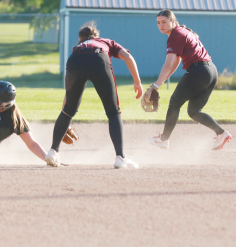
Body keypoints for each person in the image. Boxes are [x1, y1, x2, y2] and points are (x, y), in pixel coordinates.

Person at [45, 22, 143, 169]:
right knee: (113, 112)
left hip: (75, 60)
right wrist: (137, 82)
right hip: (98, 58)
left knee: (68, 111)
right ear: (96, 36)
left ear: (81, 38)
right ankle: (120, 157)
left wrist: (67, 117)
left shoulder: (77, 48)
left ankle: (53, 152)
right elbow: (128, 57)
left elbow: (68, 94)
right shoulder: (104, 41)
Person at [147, 9, 232, 150]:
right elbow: (175, 63)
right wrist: (159, 83)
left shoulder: (175, 35)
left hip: (198, 71)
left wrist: (155, 85)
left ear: (173, 21)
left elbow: (168, 64)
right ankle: (221, 133)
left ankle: (163, 139)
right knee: (194, 111)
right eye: (158, 23)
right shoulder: (182, 32)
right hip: (210, 71)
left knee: (174, 102)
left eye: (164, 22)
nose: (161, 25)